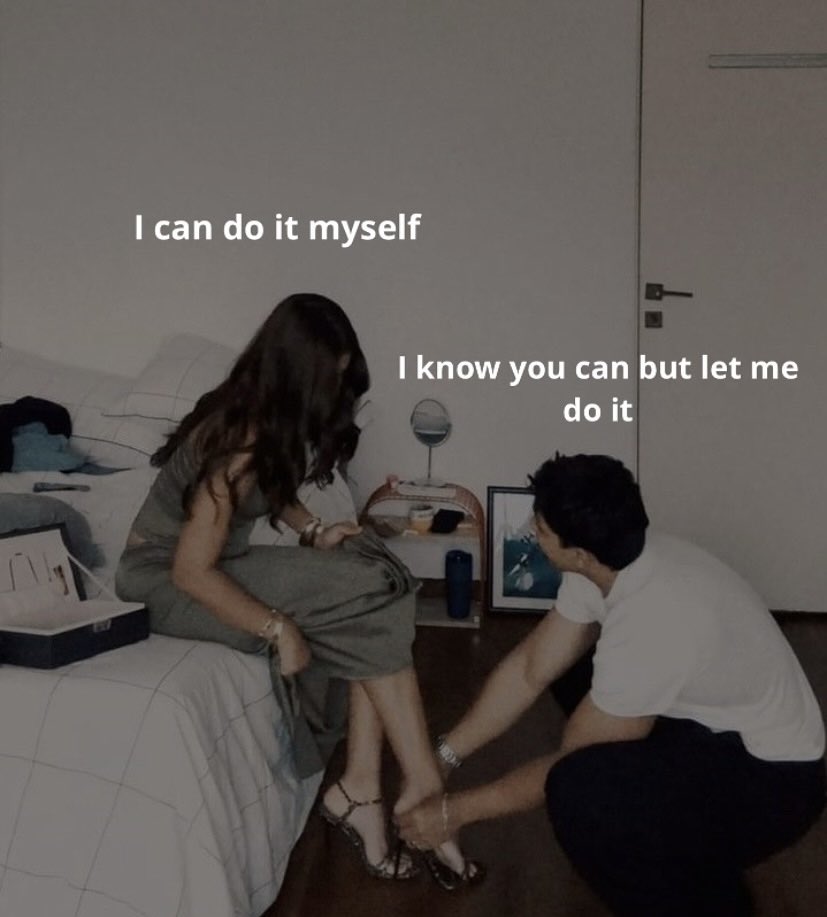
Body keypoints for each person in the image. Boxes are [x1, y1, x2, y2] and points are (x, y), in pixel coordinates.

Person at [115, 293, 482, 888]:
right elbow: (190, 571)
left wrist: (313, 529)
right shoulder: (237, 439)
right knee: (373, 591)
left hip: (219, 559)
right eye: (327, 379)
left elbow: (272, 490)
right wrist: (277, 626)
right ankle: (413, 788)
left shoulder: (266, 419)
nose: (332, 393)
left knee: (371, 567)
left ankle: (367, 787)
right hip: (161, 578)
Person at [398, 453, 825, 915]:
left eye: (540, 530)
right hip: (715, 729)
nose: (530, 534)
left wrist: (453, 813)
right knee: (574, 674)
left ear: (579, 552)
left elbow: (570, 764)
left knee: (579, 792)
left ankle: (699, 898)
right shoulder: (610, 561)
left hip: (773, 785)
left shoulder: (654, 618)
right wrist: (442, 760)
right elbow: (530, 669)